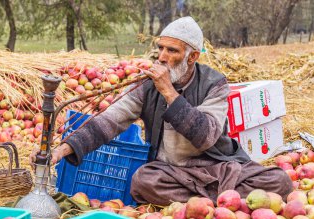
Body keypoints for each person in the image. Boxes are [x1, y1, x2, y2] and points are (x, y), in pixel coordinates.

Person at [30, 16, 293, 205]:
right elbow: (109, 121)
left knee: (280, 181)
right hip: (171, 173)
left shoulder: (215, 83)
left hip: (218, 167)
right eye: (160, 49)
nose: (162, 57)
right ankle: (221, 203)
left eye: (172, 50)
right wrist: (62, 150)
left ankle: (202, 203)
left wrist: (169, 92)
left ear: (192, 57)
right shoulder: (147, 85)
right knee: (142, 182)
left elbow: (207, 136)